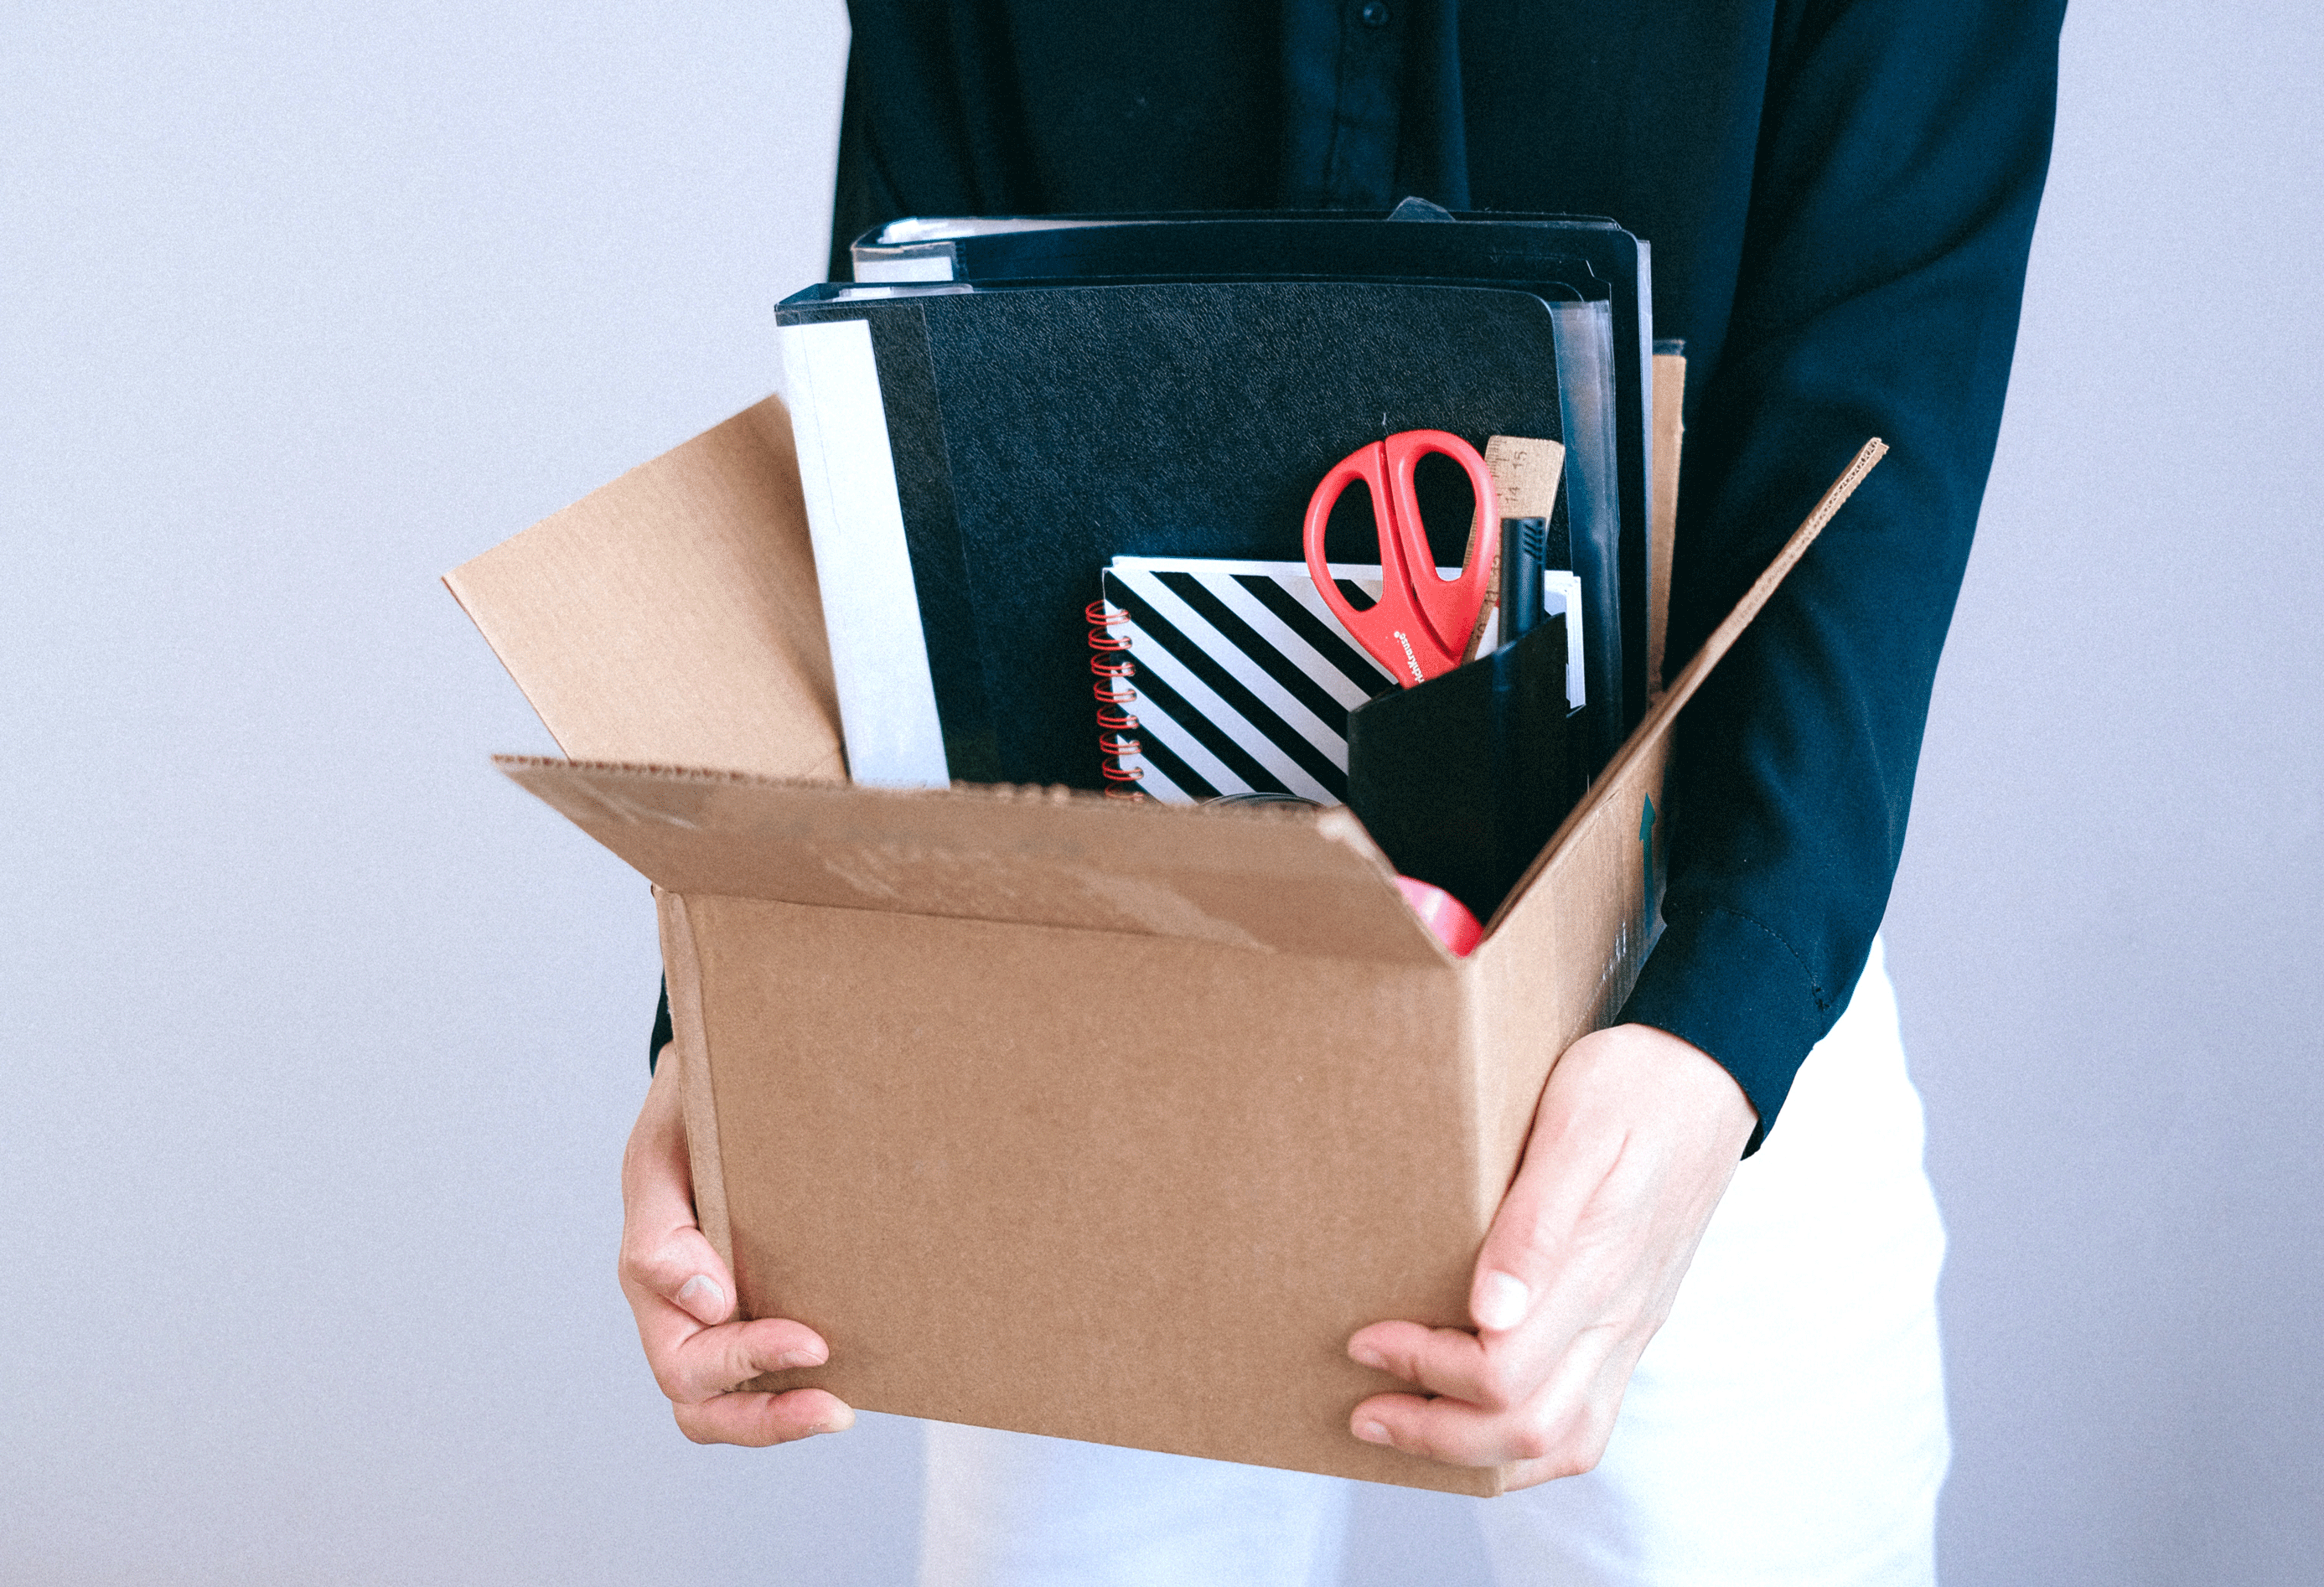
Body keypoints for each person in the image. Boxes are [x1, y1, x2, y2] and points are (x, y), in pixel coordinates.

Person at [614, 3, 2061, 1581]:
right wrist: (742, 1024)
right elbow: (912, 402)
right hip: (1095, 995)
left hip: (1682, 974)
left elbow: (1883, 392)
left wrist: (1724, 1022)